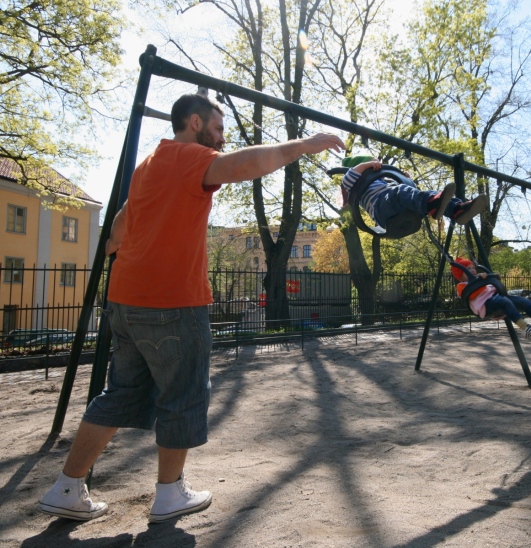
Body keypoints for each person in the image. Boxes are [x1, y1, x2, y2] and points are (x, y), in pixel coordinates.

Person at [37, 93, 346, 522]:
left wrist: (110, 248)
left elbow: (123, 221)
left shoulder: (149, 164)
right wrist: (303, 144)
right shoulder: (189, 156)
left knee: (120, 395)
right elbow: (241, 165)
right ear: (196, 122)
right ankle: (169, 494)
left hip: (126, 298)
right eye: (218, 129)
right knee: (182, 394)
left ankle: (67, 486)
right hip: (172, 302)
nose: (221, 139)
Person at [340, 155, 488, 229]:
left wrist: (406, 180)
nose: (376, 167)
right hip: (382, 209)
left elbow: (411, 195)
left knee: (427, 193)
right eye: (372, 165)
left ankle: (456, 209)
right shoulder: (356, 185)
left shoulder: (384, 181)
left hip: (399, 208)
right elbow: (348, 178)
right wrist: (366, 165)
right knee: (399, 191)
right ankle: (434, 204)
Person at [450, 258, 531, 339]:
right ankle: (526, 329)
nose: (472, 271)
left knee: (524, 301)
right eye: (468, 269)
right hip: (485, 307)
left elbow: (495, 288)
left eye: (473, 268)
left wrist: (491, 279)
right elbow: (470, 294)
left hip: (498, 300)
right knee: (504, 301)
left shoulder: (482, 282)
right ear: (460, 275)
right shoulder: (461, 286)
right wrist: (481, 280)